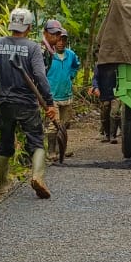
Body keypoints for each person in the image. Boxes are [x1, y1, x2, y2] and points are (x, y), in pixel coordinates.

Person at [0, 8, 58, 199]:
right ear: (29, 27)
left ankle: (3, 185)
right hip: (28, 104)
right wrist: (49, 103)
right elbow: (39, 75)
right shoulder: (32, 48)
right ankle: (37, 176)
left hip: (5, 103)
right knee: (37, 141)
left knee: (5, 143)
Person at [42, 19, 80, 163]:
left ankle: (60, 148)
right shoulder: (49, 55)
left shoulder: (70, 55)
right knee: (53, 124)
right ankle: (51, 151)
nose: (61, 42)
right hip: (52, 95)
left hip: (66, 94)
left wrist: (71, 75)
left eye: (64, 39)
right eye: (59, 39)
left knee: (65, 123)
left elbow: (76, 66)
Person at [91, 61, 121, 143]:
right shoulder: (99, 65)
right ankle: (107, 135)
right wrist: (95, 87)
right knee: (104, 115)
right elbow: (95, 78)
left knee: (114, 113)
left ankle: (112, 136)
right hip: (104, 94)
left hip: (116, 94)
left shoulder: (117, 64)